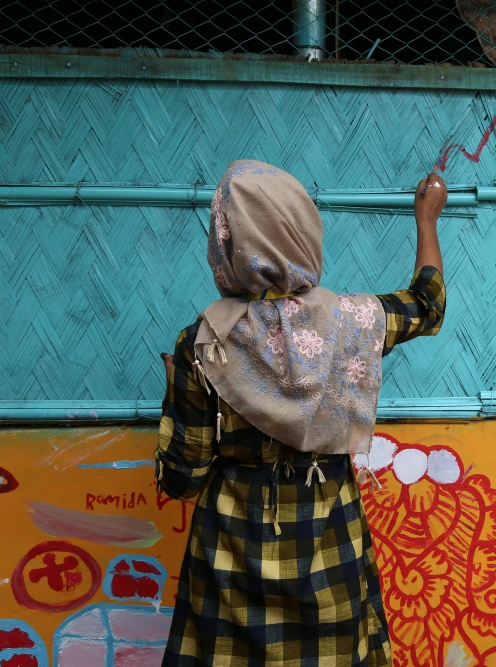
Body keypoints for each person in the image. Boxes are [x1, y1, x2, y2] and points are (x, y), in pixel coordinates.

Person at [155, 160, 447, 667]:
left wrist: (176, 388)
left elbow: (183, 478)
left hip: (230, 562)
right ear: (300, 230)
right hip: (329, 549)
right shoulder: (355, 324)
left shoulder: (202, 344)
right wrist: (427, 218)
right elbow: (428, 304)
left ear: (228, 243)